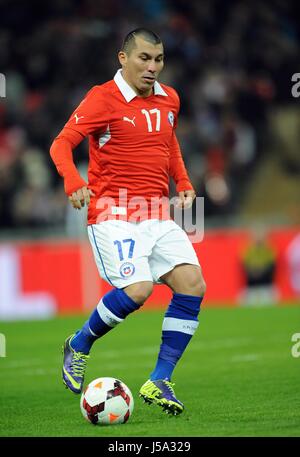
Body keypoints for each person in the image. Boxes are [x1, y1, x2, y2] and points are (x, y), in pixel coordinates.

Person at [50, 28, 206, 416]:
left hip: (156, 213)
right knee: (138, 291)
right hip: (112, 212)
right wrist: (74, 182)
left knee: (193, 285)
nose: (152, 67)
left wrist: (183, 181)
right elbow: (61, 144)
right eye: (144, 59)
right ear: (123, 58)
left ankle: (160, 379)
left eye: (159, 59)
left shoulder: (170, 98)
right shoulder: (102, 98)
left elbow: (169, 142)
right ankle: (80, 343)